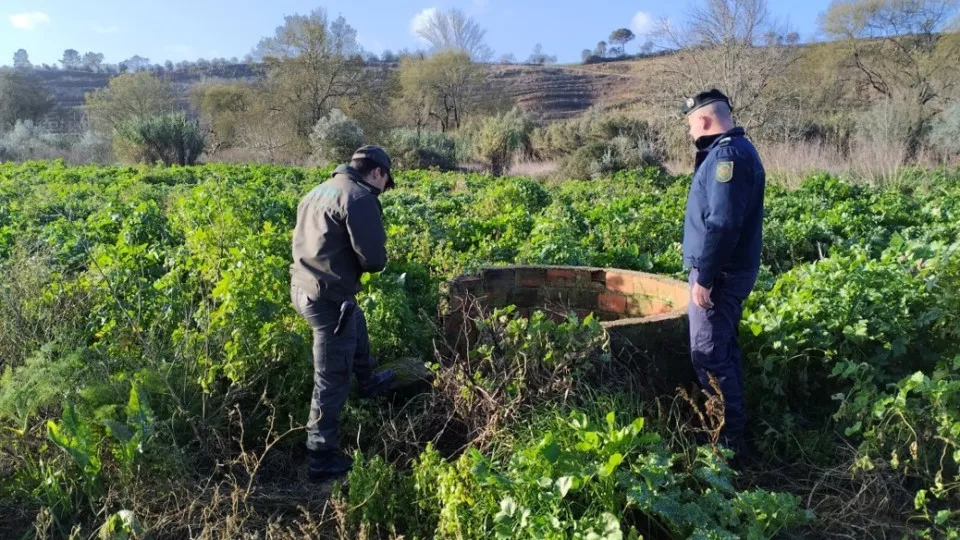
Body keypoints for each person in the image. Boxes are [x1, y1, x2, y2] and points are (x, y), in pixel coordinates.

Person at [289, 145, 398, 482]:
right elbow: (373, 260)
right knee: (331, 377)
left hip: (303, 288)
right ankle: (321, 458)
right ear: (377, 173)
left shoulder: (319, 190)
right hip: (328, 298)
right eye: (385, 181)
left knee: (356, 320)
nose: (384, 188)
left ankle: (367, 381)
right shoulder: (359, 197)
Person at [681, 89, 765, 461]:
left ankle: (728, 447)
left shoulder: (727, 155)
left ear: (701, 120)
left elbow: (724, 223)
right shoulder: (734, 151)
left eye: (689, 124)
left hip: (722, 275)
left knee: (710, 355)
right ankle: (734, 436)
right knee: (723, 353)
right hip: (727, 272)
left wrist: (706, 278)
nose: (689, 132)